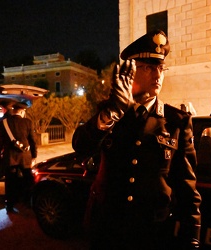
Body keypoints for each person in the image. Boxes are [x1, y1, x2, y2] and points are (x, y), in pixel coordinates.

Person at [72, 30, 201, 249]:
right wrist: (113, 111)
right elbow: (81, 146)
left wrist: (192, 237)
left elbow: (187, 187)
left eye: (161, 68)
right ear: (128, 72)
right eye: (149, 68)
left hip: (154, 233)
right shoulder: (110, 113)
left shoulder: (175, 121)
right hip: (108, 231)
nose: (158, 75)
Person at [0, 102, 37, 214]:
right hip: (25, 157)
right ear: (22, 112)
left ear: (13, 111)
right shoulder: (28, 122)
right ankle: (28, 202)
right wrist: (34, 156)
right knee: (28, 180)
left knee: (10, 182)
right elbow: (32, 141)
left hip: (10, 157)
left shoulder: (4, 123)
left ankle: (9, 205)